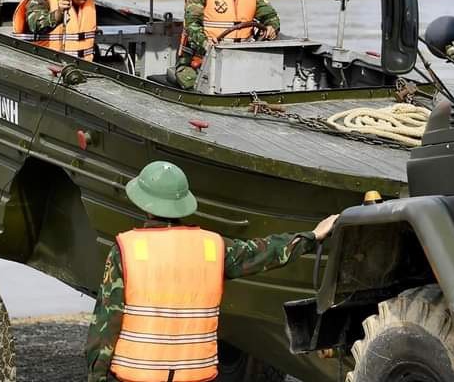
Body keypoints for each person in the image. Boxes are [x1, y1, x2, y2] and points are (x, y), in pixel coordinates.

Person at [85, 161, 338, 382]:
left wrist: (96, 375)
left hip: (138, 375)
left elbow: (106, 322)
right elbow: (264, 252)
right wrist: (312, 236)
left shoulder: (127, 250)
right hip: (194, 374)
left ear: (145, 205)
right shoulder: (212, 248)